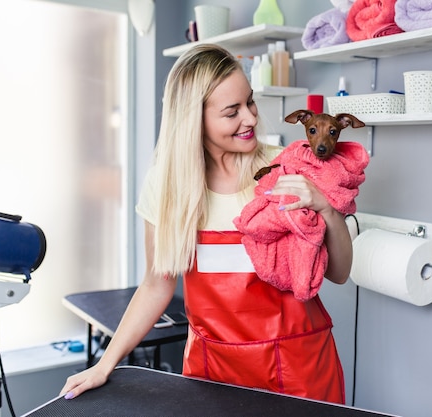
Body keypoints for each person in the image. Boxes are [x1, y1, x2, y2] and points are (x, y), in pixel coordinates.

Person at [60, 44, 353, 404]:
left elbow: (338, 273)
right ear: (193, 120)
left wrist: (326, 208)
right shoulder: (166, 188)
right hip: (212, 372)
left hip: (298, 368)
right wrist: (105, 365)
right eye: (232, 112)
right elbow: (156, 286)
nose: (249, 118)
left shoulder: (288, 167)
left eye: (250, 102)